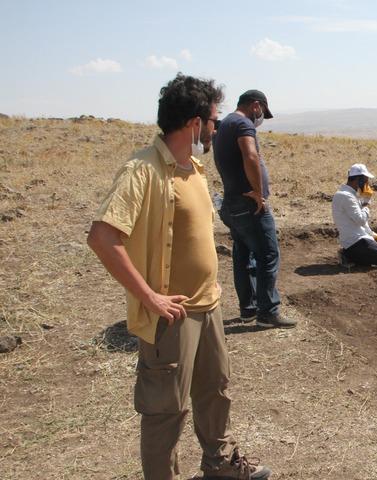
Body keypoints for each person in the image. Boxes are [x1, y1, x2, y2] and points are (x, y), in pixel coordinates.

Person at [87, 74, 271, 479]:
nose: (215, 128)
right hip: (170, 316)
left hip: (207, 306)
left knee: (215, 391)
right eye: (212, 120)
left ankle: (219, 465)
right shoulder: (142, 170)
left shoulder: (195, 170)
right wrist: (150, 297)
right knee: (165, 411)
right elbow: (102, 237)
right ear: (194, 124)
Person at [213, 89, 295, 328]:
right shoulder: (241, 124)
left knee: (243, 254)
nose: (260, 119)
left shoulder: (226, 124)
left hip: (232, 202)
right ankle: (268, 312)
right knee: (268, 254)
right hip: (249, 204)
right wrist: (259, 193)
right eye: (262, 113)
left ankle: (248, 308)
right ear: (256, 106)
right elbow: (250, 155)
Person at [331, 163, 377, 268]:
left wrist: (372, 234)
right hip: (355, 241)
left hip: (358, 238)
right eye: (365, 180)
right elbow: (360, 219)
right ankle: (348, 255)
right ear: (358, 180)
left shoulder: (350, 195)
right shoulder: (346, 196)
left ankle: (351, 255)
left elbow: (360, 222)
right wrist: (366, 205)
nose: (367, 184)